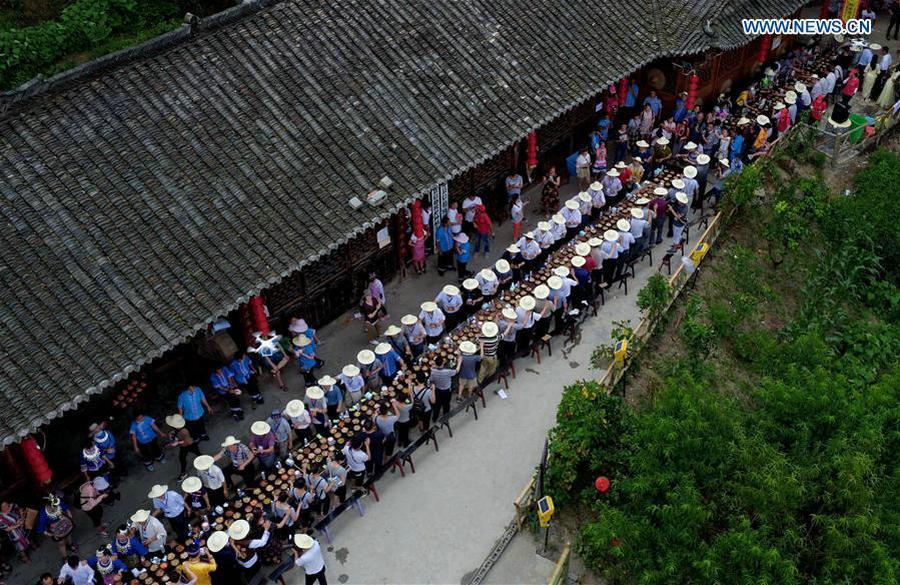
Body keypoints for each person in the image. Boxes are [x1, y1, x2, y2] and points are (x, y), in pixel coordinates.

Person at [165, 414, 201, 480]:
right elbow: (176, 433)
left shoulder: (184, 431)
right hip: (184, 445)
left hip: (190, 445)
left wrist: (177, 443)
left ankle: (206, 462)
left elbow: (189, 441)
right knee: (183, 458)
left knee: (197, 454)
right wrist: (172, 433)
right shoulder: (178, 427)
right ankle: (183, 473)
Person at [429, 355, 457, 421]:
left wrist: (433, 368)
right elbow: (456, 371)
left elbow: (431, 380)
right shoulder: (448, 371)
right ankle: (446, 416)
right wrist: (460, 362)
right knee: (446, 404)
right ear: (443, 363)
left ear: (436, 364)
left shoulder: (433, 372)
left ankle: (434, 418)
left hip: (438, 391)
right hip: (447, 391)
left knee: (437, 405)